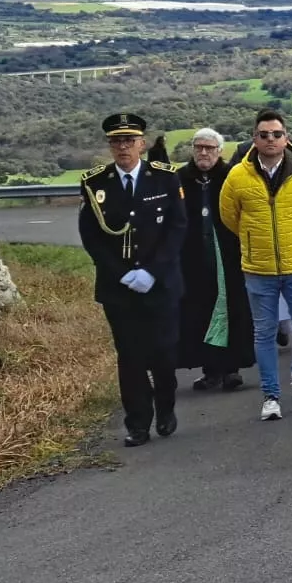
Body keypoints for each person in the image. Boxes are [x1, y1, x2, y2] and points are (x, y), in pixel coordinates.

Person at [79, 113, 187, 447]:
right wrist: (122, 273)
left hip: (160, 284)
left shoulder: (165, 178)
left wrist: (151, 271)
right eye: (116, 142)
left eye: (129, 140)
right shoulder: (96, 183)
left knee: (164, 353)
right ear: (110, 146)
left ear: (142, 143)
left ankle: (165, 408)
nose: (123, 147)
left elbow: (177, 228)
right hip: (119, 289)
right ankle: (138, 423)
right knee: (130, 356)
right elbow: (92, 236)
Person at [220, 109, 292, 422]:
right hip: (258, 268)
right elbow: (230, 216)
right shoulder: (238, 176)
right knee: (264, 333)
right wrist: (254, 239)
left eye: (277, 134)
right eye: (264, 134)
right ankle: (270, 395)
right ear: (254, 139)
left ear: (287, 138)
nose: (271, 139)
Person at [177, 128, 254, 392]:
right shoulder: (182, 178)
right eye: (199, 147)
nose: (203, 152)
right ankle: (210, 370)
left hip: (228, 256)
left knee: (231, 310)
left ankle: (231, 369)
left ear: (219, 151)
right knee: (200, 312)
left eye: (209, 148)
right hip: (194, 258)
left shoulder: (230, 176)